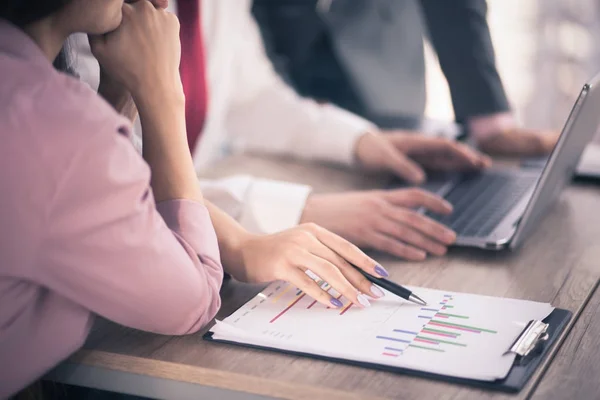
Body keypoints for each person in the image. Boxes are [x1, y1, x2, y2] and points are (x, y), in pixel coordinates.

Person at [0, 1, 387, 397]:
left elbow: (95, 187)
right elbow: (193, 299)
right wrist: (159, 92)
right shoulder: (56, 122)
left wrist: (119, 89)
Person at [74, 0, 492, 261]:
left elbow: (251, 95)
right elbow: (114, 176)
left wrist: (362, 142)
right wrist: (298, 210)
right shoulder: (86, 15)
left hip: (194, 246)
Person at [252, 0, 559, 156]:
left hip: (377, 27)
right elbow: (284, 11)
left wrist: (488, 118)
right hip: (289, 33)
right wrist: (312, 101)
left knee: (395, 141)